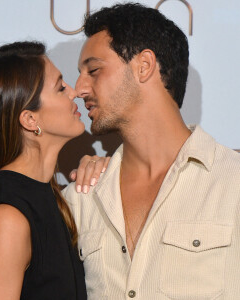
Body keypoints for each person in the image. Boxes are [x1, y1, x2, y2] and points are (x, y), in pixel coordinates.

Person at [63, 3, 240, 299]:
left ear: (144, 66)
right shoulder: (81, 198)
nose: (79, 88)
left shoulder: (232, 183)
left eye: (93, 70)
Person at [0, 41, 92, 300]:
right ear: (30, 119)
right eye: (60, 88)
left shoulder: (45, 197)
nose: (74, 92)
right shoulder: (7, 218)